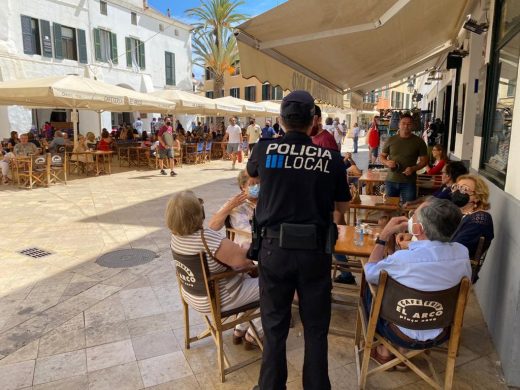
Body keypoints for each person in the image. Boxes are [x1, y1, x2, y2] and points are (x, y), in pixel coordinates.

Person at [247, 90, 350, 390]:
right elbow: (341, 209)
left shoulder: (265, 149)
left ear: (280, 121)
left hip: (273, 250)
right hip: (314, 251)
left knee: (275, 326)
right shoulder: (330, 158)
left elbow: (251, 179)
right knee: (316, 329)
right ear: (313, 122)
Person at [364, 198, 471, 365]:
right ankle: (403, 352)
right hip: (440, 331)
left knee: (370, 287)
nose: (411, 217)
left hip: (397, 332)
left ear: (417, 228)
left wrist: (384, 235)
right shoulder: (462, 253)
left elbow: (370, 273)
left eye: (414, 215)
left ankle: (385, 350)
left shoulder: (401, 260)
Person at [166, 191, 263, 347]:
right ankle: (254, 333)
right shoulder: (207, 238)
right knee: (277, 286)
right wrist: (245, 247)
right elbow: (244, 260)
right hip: (218, 299)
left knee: (253, 280)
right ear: (199, 214)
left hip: (192, 294)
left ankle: (241, 327)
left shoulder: (175, 238)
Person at [380, 113, 428, 202]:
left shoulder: (419, 142)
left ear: (412, 126)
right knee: (389, 208)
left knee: (408, 207)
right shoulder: (391, 140)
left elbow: (424, 161)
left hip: (409, 182)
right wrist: (387, 162)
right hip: (391, 180)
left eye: (409, 124)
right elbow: (382, 156)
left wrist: (413, 169)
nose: (406, 126)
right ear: (399, 125)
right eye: (403, 123)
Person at [209, 170, 258, 247]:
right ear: (243, 187)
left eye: (259, 183)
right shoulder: (235, 203)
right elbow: (213, 226)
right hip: (247, 248)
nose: (257, 187)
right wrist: (230, 206)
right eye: (252, 184)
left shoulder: (267, 202)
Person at [451, 174, 494, 260]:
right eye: (457, 187)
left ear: (477, 197)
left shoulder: (480, 218)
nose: (458, 192)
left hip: (455, 267)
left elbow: (457, 247)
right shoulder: (459, 213)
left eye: (464, 189)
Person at [404, 161, 468, 208]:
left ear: (449, 176)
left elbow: (431, 205)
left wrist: (411, 206)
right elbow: (430, 197)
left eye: (443, 173)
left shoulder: (451, 192)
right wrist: (412, 202)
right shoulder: (445, 186)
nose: (441, 175)